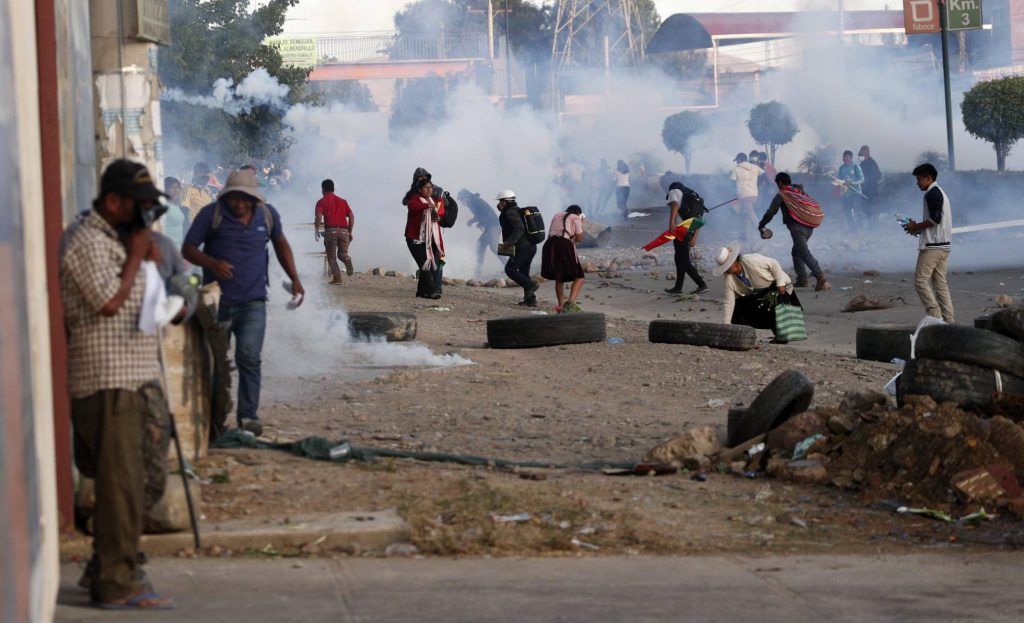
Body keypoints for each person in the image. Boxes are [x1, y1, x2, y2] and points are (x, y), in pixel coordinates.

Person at [60, 159, 176, 610]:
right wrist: (134, 258)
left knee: (136, 481)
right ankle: (116, 580)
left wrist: (142, 260)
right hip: (105, 379)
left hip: (132, 374)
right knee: (118, 485)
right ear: (114, 201)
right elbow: (108, 302)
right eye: (140, 207)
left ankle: (108, 564)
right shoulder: (86, 241)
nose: (146, 217)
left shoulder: (119, 238)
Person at [182, 169, 304, 437]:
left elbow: (281, 244)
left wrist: (294, 278)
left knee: (249, 357)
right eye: (233, 198)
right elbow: (188, 248)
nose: (238, 203)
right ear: (226, 196)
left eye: (243, 199)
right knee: (216, 362)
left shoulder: (267, 215)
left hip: (253, 301)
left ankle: (248, 416)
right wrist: (212, 263)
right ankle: (214, 420)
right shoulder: (211, 214)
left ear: (254, 199)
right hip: (217, 302)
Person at [758, 172, 831, 292]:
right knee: (796, 252)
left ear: (780, 182)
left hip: (797, 228)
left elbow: (771, 212)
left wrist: (762, 224)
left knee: (804, 252)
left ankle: (820, 276)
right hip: (809, 227)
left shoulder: (783, 194)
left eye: (777, 184)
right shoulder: (799, 192)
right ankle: (802, 279)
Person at [903, 163, 954, 322]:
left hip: (933, 248)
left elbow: (934, 220)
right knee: (940, 284)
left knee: (920, 281)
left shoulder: (932, 193)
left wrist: (915, 226)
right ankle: (948, 320)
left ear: (928, 178)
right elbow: (934, 221)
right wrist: (916, 228)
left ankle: (935, 316)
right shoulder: (939, 193)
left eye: (919, 179)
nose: (917, 183)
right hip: (943, 246)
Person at [713, 244, 799, 335]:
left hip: (775, 285)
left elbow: (774, 264)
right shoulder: (729, 279)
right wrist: (726, 325)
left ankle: (781, 334)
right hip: (758, 293)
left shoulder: (751, 260)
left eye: (729, 265)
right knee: (737, 308)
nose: (727, 269)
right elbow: (729, 302)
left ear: (735, 260)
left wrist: (780, 283)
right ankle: (741, 334)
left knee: (774, 303)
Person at [664, 183, 709, 295]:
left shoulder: (674, 190)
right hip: (690, 230)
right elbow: (698, 218)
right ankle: (678, 287)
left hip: (682, 231)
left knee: (683, 259)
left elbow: (674, 204)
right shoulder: (692, 196)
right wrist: (695, 237)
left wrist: (672, 222)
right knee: (679, 258)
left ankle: (701, 284)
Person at [497, 189, 539, 306]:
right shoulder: (515, 210)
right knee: (524, 272)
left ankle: (530, 285)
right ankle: (530, 300)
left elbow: (519, 229)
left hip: (523, 247)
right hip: (530, 247)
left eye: (500, 201)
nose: (499, 203)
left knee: (510, 269)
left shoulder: (510, 212)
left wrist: (508, 243)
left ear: (505, 201)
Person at [404, 177, 445, 299]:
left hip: (429, 239)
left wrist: (439, 218)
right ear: (420, 189)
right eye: (426, 188)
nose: (429, 190)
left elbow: (440, 215)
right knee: (424, 264)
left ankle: (421, 292)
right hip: (414, 238)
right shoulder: (415, 199)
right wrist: (427, 205)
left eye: (431, 188)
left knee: (427, 264)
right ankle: (432, 291)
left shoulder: (433, 200)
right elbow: (413, 207)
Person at [541, 204, 586, 313]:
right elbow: (579, 238)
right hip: (563, 245)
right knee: (579, 276)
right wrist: (581, 223)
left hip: (549, 245)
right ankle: (570, 303)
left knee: (559, 276)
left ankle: (561, 305)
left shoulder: (557, 215)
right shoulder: (575, 218)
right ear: (579, 213)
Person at [314, 178, 355, 284]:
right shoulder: (343, 201)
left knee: (331, 257)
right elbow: (351, 215)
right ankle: (347, 259)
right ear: (333, 189)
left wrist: (316, 230)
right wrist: (350, 231)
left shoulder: (321, 202)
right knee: (342, 254)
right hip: (344, 232)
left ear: (323, 189)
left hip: (331, 232)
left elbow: (318, 217)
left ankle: (337, 278)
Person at [459, 188, 501, 278]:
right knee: (481, 244)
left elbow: (483, 215)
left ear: (465, 197)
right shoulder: (474, 201)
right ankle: (477, 272)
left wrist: (471, 221)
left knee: (494, 248)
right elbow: (484, 214)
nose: (462, 203)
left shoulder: (473, 202)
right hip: (491, 226)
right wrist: (481, 223)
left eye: (461, 199)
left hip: (493, 226)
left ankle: (511, 266)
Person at [729, 152, 762, 235]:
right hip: (754, 195)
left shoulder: (736, 168)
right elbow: (764, 175)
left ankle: (762, 230)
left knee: (750, 214)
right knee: (746, 214)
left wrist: (734, 194)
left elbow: (732, 182)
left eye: (737, 160)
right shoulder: (755, 167)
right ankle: (745, 234)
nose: (736, 162)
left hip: (744, 195)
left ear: (739, 160)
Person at [836, 150, 865, 229]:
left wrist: (851, 183)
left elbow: (861, 179)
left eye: (848, 157)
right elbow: (840, 180)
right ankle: (853, 229)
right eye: (844, 157)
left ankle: (860, 228)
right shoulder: (841, 168)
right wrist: (839, 182)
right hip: (845, 193)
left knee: (857, 211)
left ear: (851, 158)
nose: (846, 159)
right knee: (847, 212)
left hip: (856, 193)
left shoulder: (856, 166)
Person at [159, 177, 188, 248]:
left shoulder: (178, 206)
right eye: (172, 188)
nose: (176, 190)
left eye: (178, 187)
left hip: (177, 249)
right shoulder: (163, 206)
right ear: (165, 189)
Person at [858, 145, 882, 219]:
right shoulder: (863, 163)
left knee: (868, 207)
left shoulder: (871, 163)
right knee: (865, 207)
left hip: (870, 190)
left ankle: (871, 223)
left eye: (863, 153)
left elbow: (878, 175)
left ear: (867, 153)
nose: (861, 155)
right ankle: (870, 222)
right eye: (861, 154)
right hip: (865, 190)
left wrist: (869, 182)